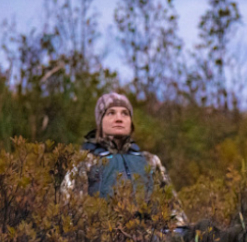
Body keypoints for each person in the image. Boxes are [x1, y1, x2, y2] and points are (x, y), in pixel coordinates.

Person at [59, 92, 188, 229]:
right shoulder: (85, 161)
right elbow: (70, 214)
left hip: (151, 241)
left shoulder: (150, 161)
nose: (119, 119)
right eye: (111, 113)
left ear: (131, 123)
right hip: (103, 241)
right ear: (100, 122)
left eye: (125, 114)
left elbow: (175, 211)